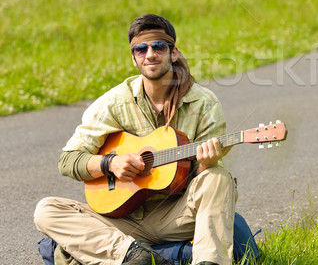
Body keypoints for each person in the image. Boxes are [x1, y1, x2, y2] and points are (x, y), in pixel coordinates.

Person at [34, 14, 237, 265]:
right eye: (141, 49)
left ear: (173, 53)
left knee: (218, 177)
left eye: (159, 46)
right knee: (47, 210)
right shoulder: (115, 102)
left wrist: (207, 164)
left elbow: (205, 187)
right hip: (121, 221)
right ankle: (136, 256)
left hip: (176, 216)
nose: (150, 54)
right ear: (133, 58)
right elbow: (68, 161)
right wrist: (110, 163)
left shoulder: (204, 103)